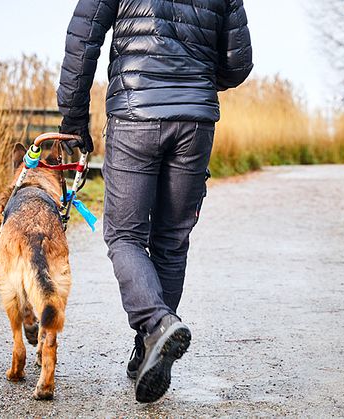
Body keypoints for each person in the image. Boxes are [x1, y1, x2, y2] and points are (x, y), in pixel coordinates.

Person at [57, 0, 252, 403]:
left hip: (135, 113)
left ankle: (158, 323)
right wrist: (193, 80)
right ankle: (149, 344)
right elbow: (238, 63)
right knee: (171, 240)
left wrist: (74, 119)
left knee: (125, 235)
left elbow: (83, 40)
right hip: (196, 121)